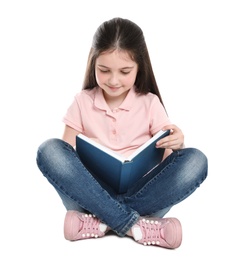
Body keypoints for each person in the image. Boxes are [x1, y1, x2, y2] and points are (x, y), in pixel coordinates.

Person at [36, 17, 208, 249]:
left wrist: (176, 143)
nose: (114, 80)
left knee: (195, 160)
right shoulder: (82, 102)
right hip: (90, 194)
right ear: (93, 63)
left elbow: (167, 160)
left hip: (143, 194)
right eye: (104, 70)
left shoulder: (149, 102)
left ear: (140, 68)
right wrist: (89, 147)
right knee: (49, 150)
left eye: (125, 71)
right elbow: (66, 158)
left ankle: (100, 222)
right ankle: (135, 225)